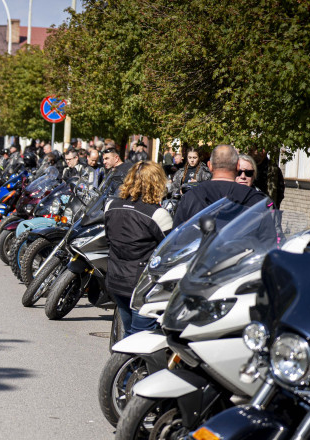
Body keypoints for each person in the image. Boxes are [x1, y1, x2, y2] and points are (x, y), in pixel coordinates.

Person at [105, 161, 173, 336]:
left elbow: (109, 239)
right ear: (157, 182)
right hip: (141, 287)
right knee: (139, 338)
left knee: (128, 334)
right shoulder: (158, 215)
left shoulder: (111, 206)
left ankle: (121, 362)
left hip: (116, 279)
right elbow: (170, 251)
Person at [173, 144, 267, 225]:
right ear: (238, 166)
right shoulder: (257, 199)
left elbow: (176, 239)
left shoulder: (191, 197)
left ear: (209, 166)